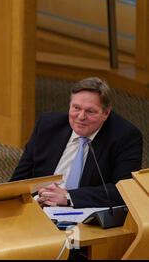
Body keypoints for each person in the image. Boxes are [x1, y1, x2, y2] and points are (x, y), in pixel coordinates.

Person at [10, 77, 143, 208]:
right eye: (76, 108)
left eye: (90, 111)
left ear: (106, 113)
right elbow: (18, 181)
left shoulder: (126, 137)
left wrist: (68, 197)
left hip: (85, 214)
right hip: (39, 206)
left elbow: (124, 191)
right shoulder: (47, 126)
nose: (81, 117)